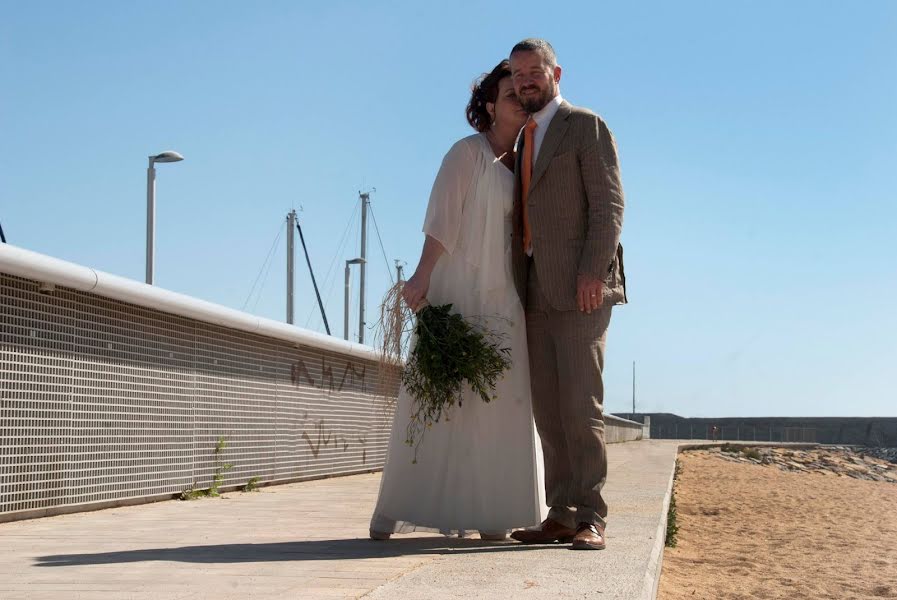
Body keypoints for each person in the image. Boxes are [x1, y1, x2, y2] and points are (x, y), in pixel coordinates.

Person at [369, 60, 546, 540]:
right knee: (442, 396)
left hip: (503, 294)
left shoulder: (523, 161)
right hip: (457, 289)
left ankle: (492, 512)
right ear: (489, 105)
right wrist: (423, 276)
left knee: (501, 400)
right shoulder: (465, 154)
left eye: (522, 94)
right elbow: (440, 220)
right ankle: (396, 507)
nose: (518, 100)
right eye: (509, 94)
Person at [507, 39, 628, 551]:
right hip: (534, 290)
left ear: (557, 73)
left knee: (581, 407)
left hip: (582, 288)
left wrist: (592, 274)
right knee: (548, 411)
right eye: (518, 75)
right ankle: (558, 512)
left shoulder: (585, 126)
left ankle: (591, 517)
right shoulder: (521, 141)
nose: (525, 81)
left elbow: (609, 206)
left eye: (534, 71)